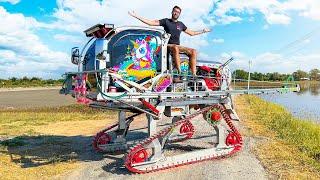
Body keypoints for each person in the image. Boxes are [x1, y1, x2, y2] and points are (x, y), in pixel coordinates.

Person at [128, 5, 210, 77]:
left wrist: (203, 30)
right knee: (175, 47)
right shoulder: (166, 21)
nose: (176, 13)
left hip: (177, 46)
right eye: (175, 11)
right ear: (172, 12)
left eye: (178, 12)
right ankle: (180, 72)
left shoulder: (181, 24)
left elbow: (191, 33)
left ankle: (193, 75)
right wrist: (137, 16)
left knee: (193, 51)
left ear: (179, 14)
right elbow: (151, 23)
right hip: (167, 45)